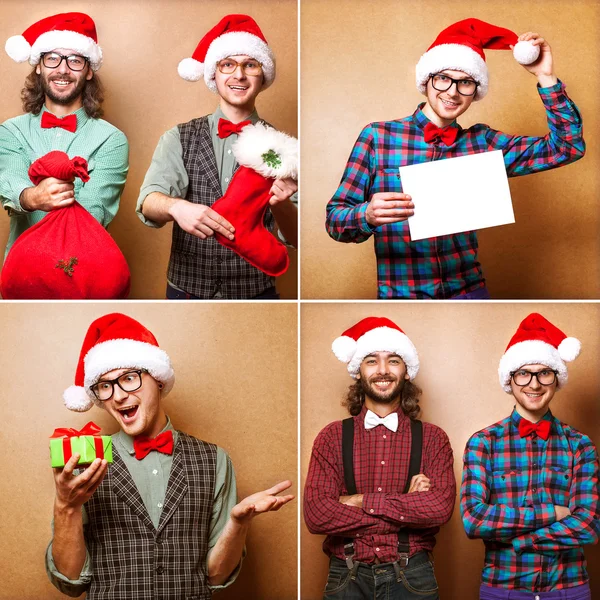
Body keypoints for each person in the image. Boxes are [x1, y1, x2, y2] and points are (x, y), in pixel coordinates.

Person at [325, 18, 585, 299]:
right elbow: (335, 220)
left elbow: (567, 148)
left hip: (470, 292)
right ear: (427, 80)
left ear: (475, 92)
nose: (452, 91)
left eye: (465, 82)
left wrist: (546, 77)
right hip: (403, 297)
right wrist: (366, 215)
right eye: (443, 78)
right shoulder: (378, 136)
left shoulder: (483, 143)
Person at [47, 313, 294, 599]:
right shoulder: (85, 461)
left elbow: (215, 576)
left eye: (129, 378)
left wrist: (238, 523)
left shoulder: (215, 460)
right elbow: (71, 581)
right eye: (105, 385)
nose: (117, 396)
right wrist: (66, 506)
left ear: (159, 381)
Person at [137, 14, 298, 300]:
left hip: (256, 293)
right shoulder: (178, 136)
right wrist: (177, 207)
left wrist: (282, 205)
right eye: (228, 64)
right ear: (214, 74)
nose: (239, 75)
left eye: (250, 64)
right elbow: (148, 202)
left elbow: (296, 238)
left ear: (263, 76)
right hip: (186, 289)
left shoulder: (285, 150)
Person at [304, 317, 455, 599]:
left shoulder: (434, 438)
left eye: (393, 360)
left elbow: (439, 510)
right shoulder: (332, 436)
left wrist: (358, 500)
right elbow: (316, 516)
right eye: (372, 361)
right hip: (346, 576)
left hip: (413, 577)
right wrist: (409, 507)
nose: (382, 370)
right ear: (359, 371)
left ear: (407, 371)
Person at [461, 313, 600, 600]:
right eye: (524, 373)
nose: (534, 384)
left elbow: (588, 525)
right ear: (510, 380)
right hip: (502, 588)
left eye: (544, 372)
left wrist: (521, 540)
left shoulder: (580, 445)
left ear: (556, 378)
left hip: (568, 588)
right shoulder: (483, 443)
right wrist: (553, 514)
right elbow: (474, 519)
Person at [0, 12, 129, 259]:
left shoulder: (112, 140)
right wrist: (31, 197)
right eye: (52, 59)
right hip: (21, 270)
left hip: (81, 271)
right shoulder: (9, 131)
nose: (63, 70)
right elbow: (11, 181)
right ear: (38, 66)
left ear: (89, 71)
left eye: (75, 61)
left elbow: (94, 211)